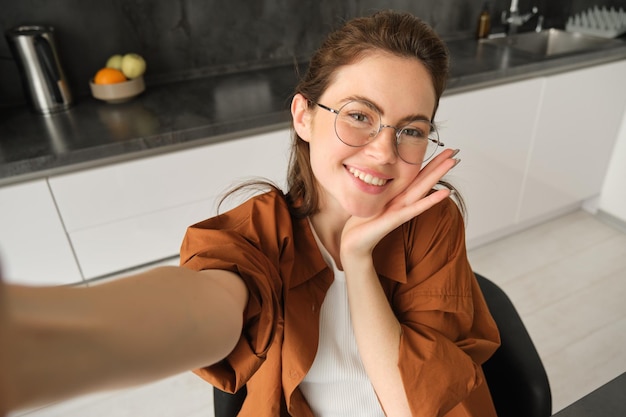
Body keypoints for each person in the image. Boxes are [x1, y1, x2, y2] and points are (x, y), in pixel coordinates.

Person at [0, 10, 500, 417]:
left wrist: (359, 260)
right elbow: (203, 306)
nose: (384, 151)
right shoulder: (257, 233)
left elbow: (415, 405)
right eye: (359, 116)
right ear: (304, 117)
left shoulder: (432, 219)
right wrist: (41, 344)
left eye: (411, 129)